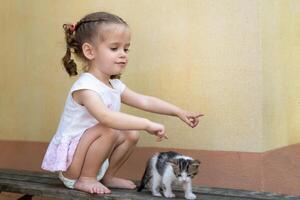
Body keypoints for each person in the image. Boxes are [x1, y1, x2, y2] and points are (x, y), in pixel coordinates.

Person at [41, 11, 203, 195]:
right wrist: (147, 124)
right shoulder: (85, 87)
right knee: (108, 127)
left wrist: (178, 111)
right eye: (114, 48)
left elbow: (145, 101)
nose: (123, 55)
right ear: (89, 51)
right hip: (72, 166)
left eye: (125, 49)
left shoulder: (114, 85)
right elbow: (106, 117)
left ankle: (107, 176)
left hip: (89, 152)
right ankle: (86, 178)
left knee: (131, 133)